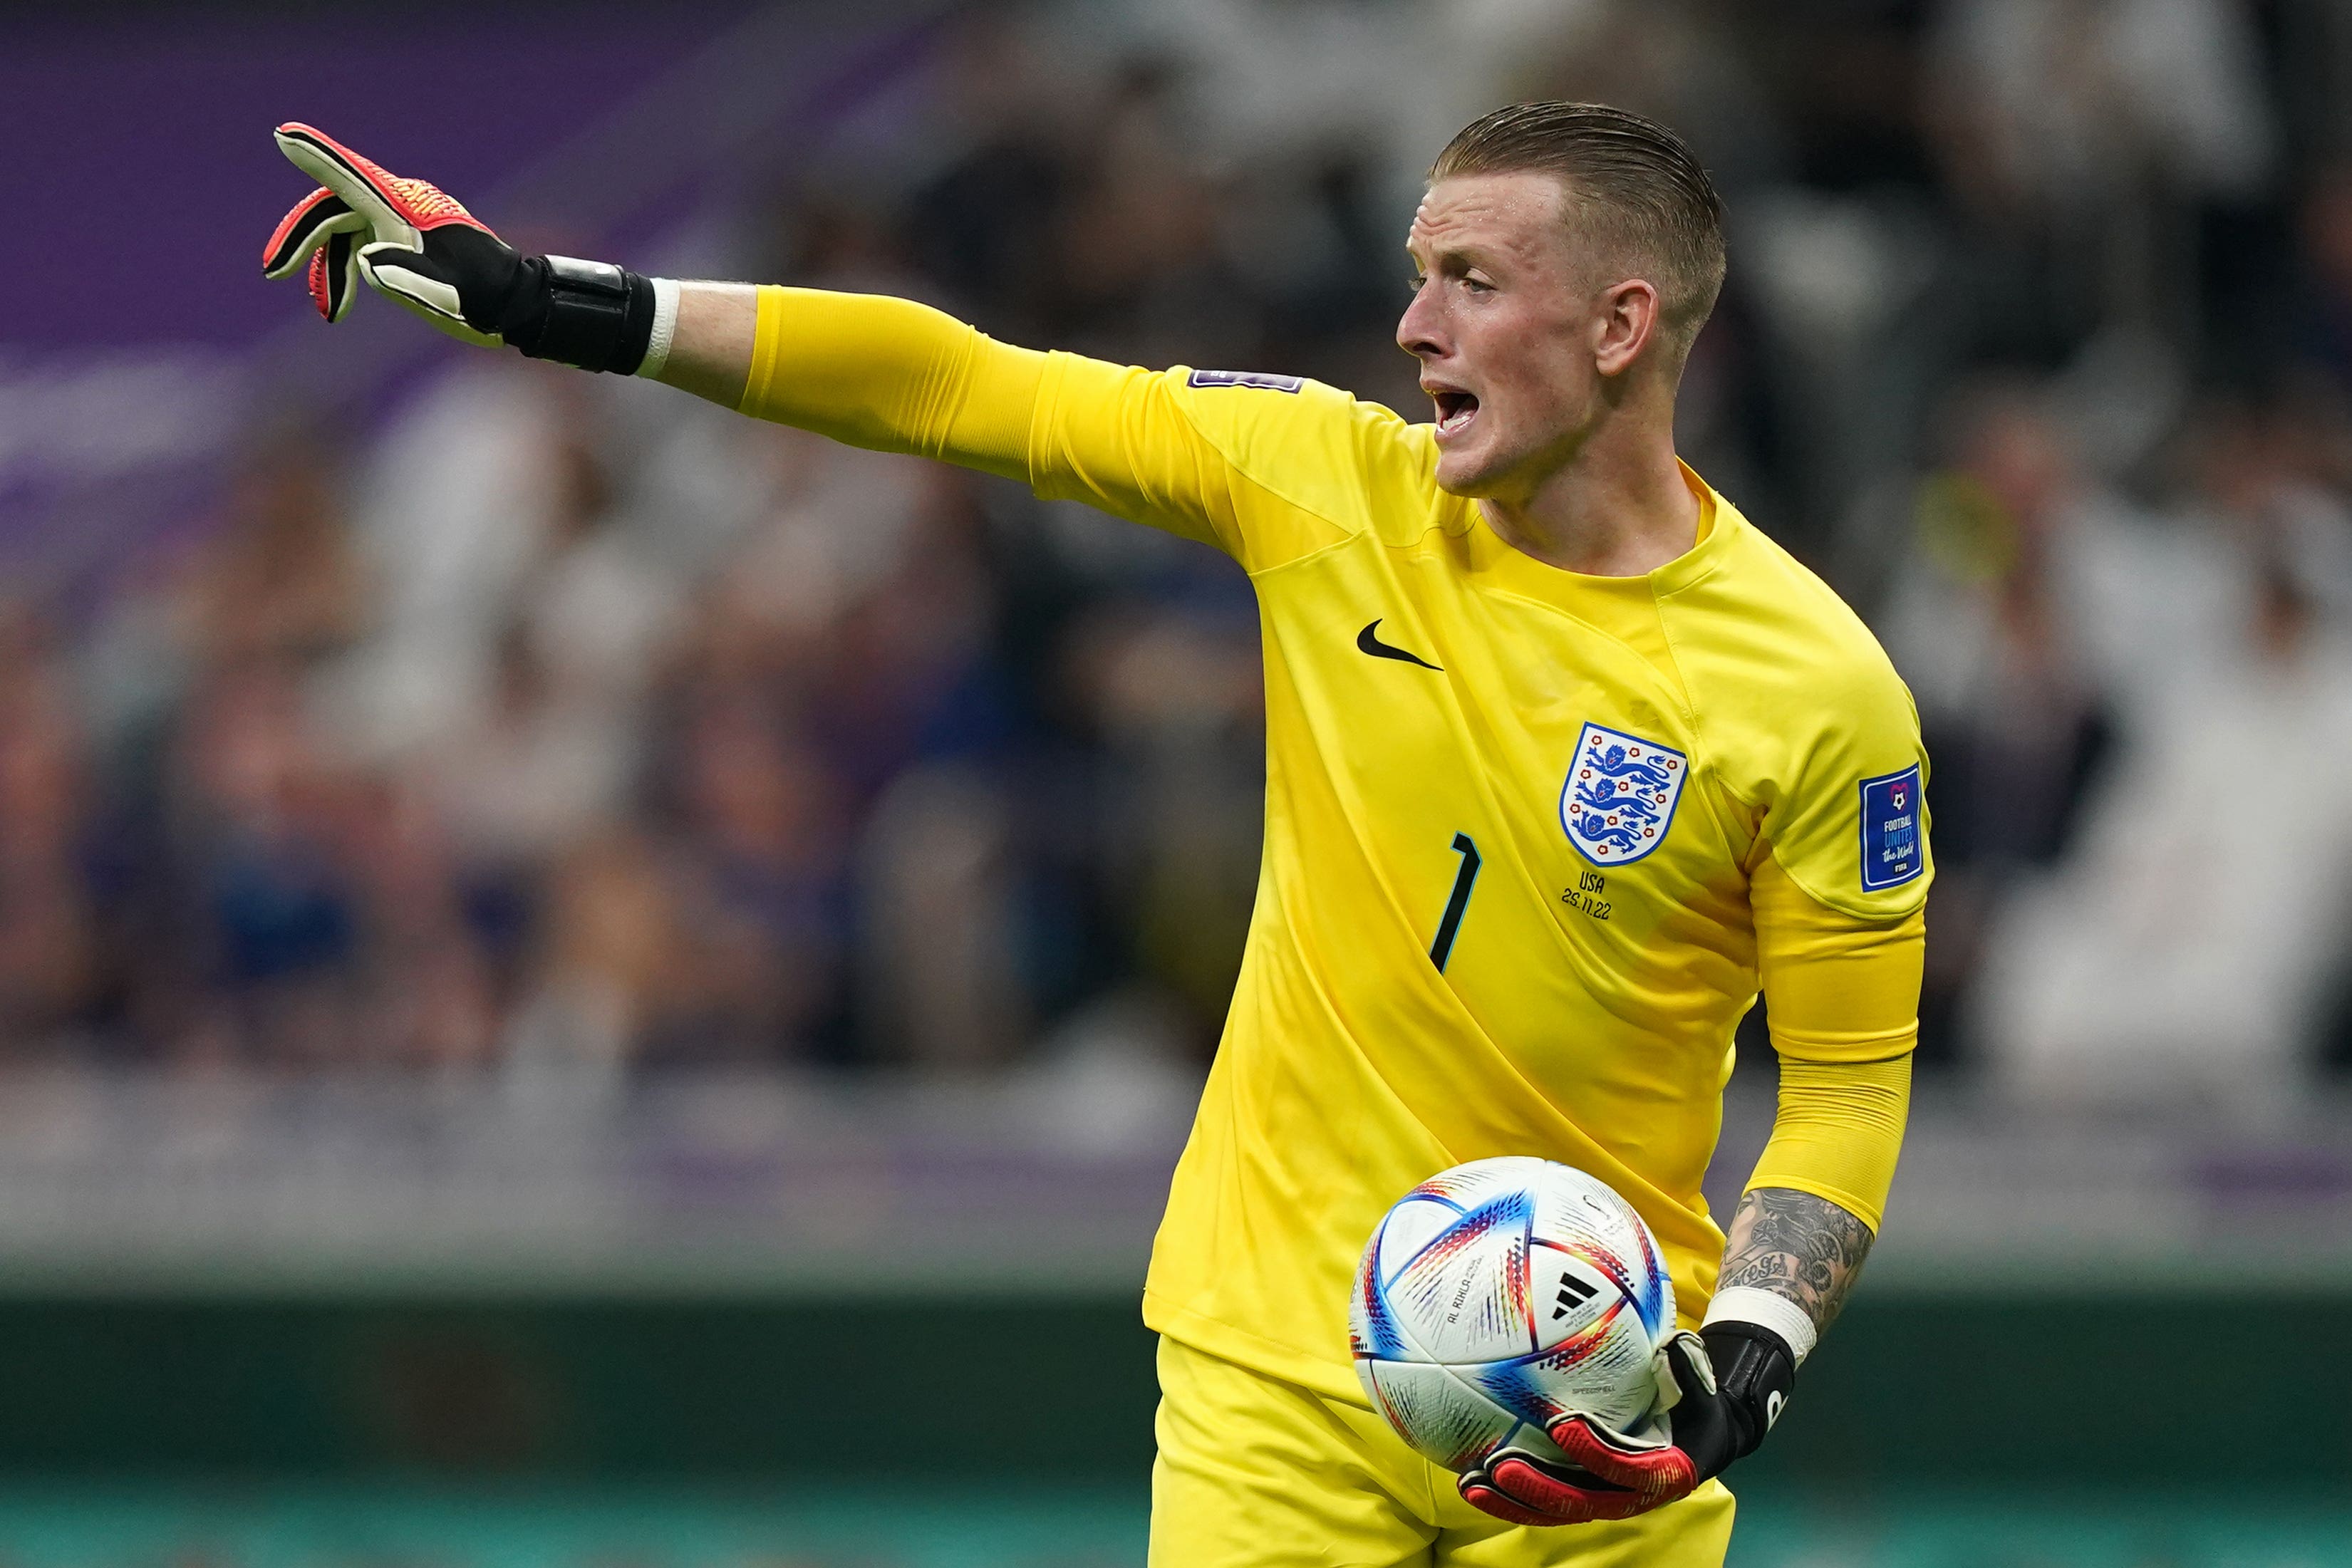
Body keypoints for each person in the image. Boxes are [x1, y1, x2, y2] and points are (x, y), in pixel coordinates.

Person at [264, 101, 1929, 1568]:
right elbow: (958, 383)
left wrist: (1757, 1341)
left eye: (1472, 284)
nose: (1413, 323)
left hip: (1594, 1396)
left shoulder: (1816, 691)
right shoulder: (1328, 485)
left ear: (1623, 323)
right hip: (1273, 1363)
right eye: (1417, 271)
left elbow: (1848, 1080)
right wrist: (563, 302)